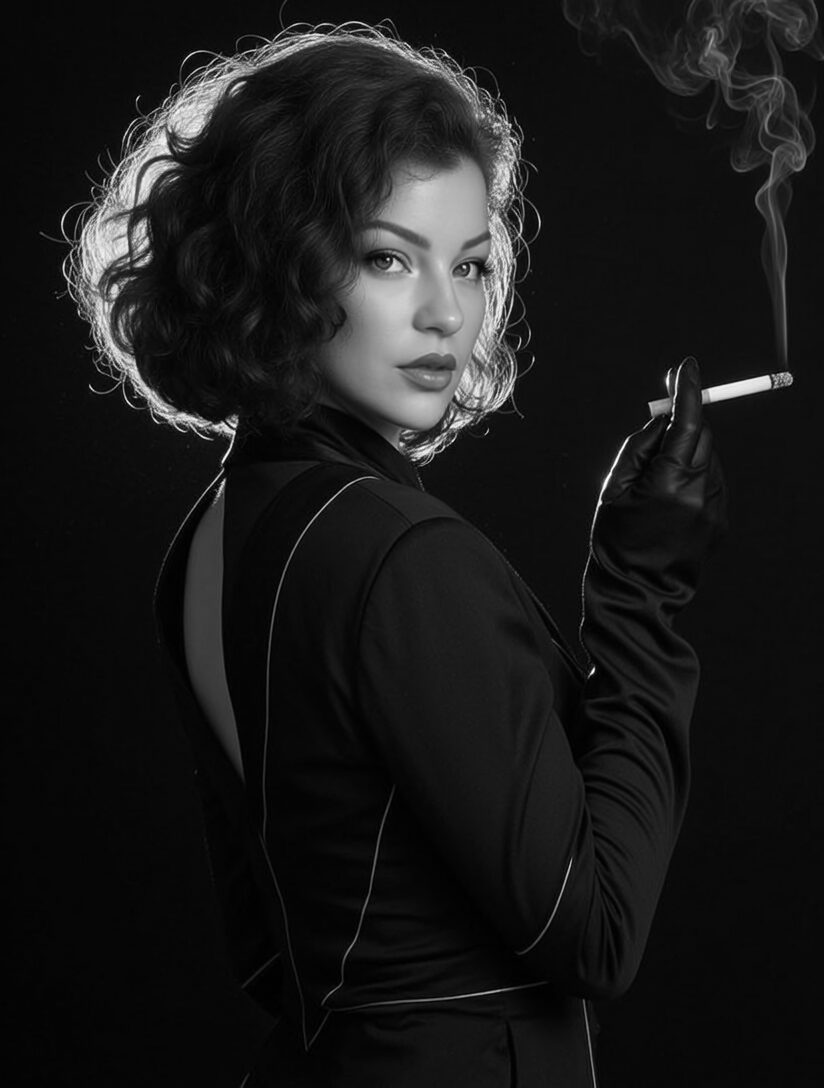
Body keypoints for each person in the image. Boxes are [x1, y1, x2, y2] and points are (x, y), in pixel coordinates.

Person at [66, 21, 726, 1087]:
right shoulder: (399, 553)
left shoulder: (209, 539)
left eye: (469, 263)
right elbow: (595, 933)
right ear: (276, 260)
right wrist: (642, 587)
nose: (445, 313)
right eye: (387, 257)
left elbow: (269, 951)